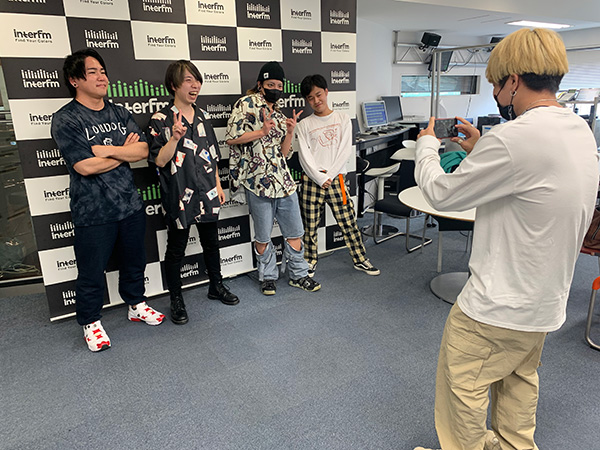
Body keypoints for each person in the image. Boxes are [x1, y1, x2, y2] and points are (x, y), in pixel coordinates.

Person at [413, 28, 599, 450]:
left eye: (497, 86)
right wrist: (482, 149)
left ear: (514, 81)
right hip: (544, 305)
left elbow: (441, 193)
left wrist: (426, 147)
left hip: (494, 308)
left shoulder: (513, 138)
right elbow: (531, 183)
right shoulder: (579, 130)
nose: (496, 95)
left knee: (463, 391)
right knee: (518, 382)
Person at [51, 48, 165, 352]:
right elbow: (84, 166)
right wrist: (122, 152)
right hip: (93, 211)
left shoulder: (118, 112)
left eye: (103, 71)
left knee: (135, 262)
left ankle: (136, 304)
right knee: (91, 272)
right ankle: (90, 321)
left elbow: (142, 151)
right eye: (93, 72)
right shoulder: (66, 118)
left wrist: (106, 150)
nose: (102, 77)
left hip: (129, 205)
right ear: (74, 80)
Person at [147, 60, 239, 325]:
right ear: (174, 85)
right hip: (179, 194)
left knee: (212, 242)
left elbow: (212, 154)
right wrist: (174, 138)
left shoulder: (203, 116)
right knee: (176, 249)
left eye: (197, 80)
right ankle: (176, 299)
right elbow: (159, 161)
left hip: (207, 191)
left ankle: (216, 286)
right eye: (188, 80)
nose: (195, 85)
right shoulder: (160, 120)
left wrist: (218, 185)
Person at [226, 61, 321, 296]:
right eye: (271, 84)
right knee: (262, 236)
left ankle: (299, 275)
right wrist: (261, 132)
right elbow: (231, 138)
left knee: (295, 232)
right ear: (260, 84)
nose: (275, 89)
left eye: (279, 85)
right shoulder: (245, 104)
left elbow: (284, 154)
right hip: (257, 182)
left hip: (284, 181)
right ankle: (268, 277)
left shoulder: (279, 114)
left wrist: (289, 132)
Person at [296, 74, 379, 277]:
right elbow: (304, 157)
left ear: (326, 92)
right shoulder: (304, 124)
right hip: (311, 181)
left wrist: (329, 176)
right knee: (310, 226)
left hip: (336, 180)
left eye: (318, 95)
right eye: (310, 98)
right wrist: (320, 178)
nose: (316, 101)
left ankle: (360, 259)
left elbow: (345, 151)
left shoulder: (342, 119)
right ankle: (309, 261)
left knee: (348, 222)